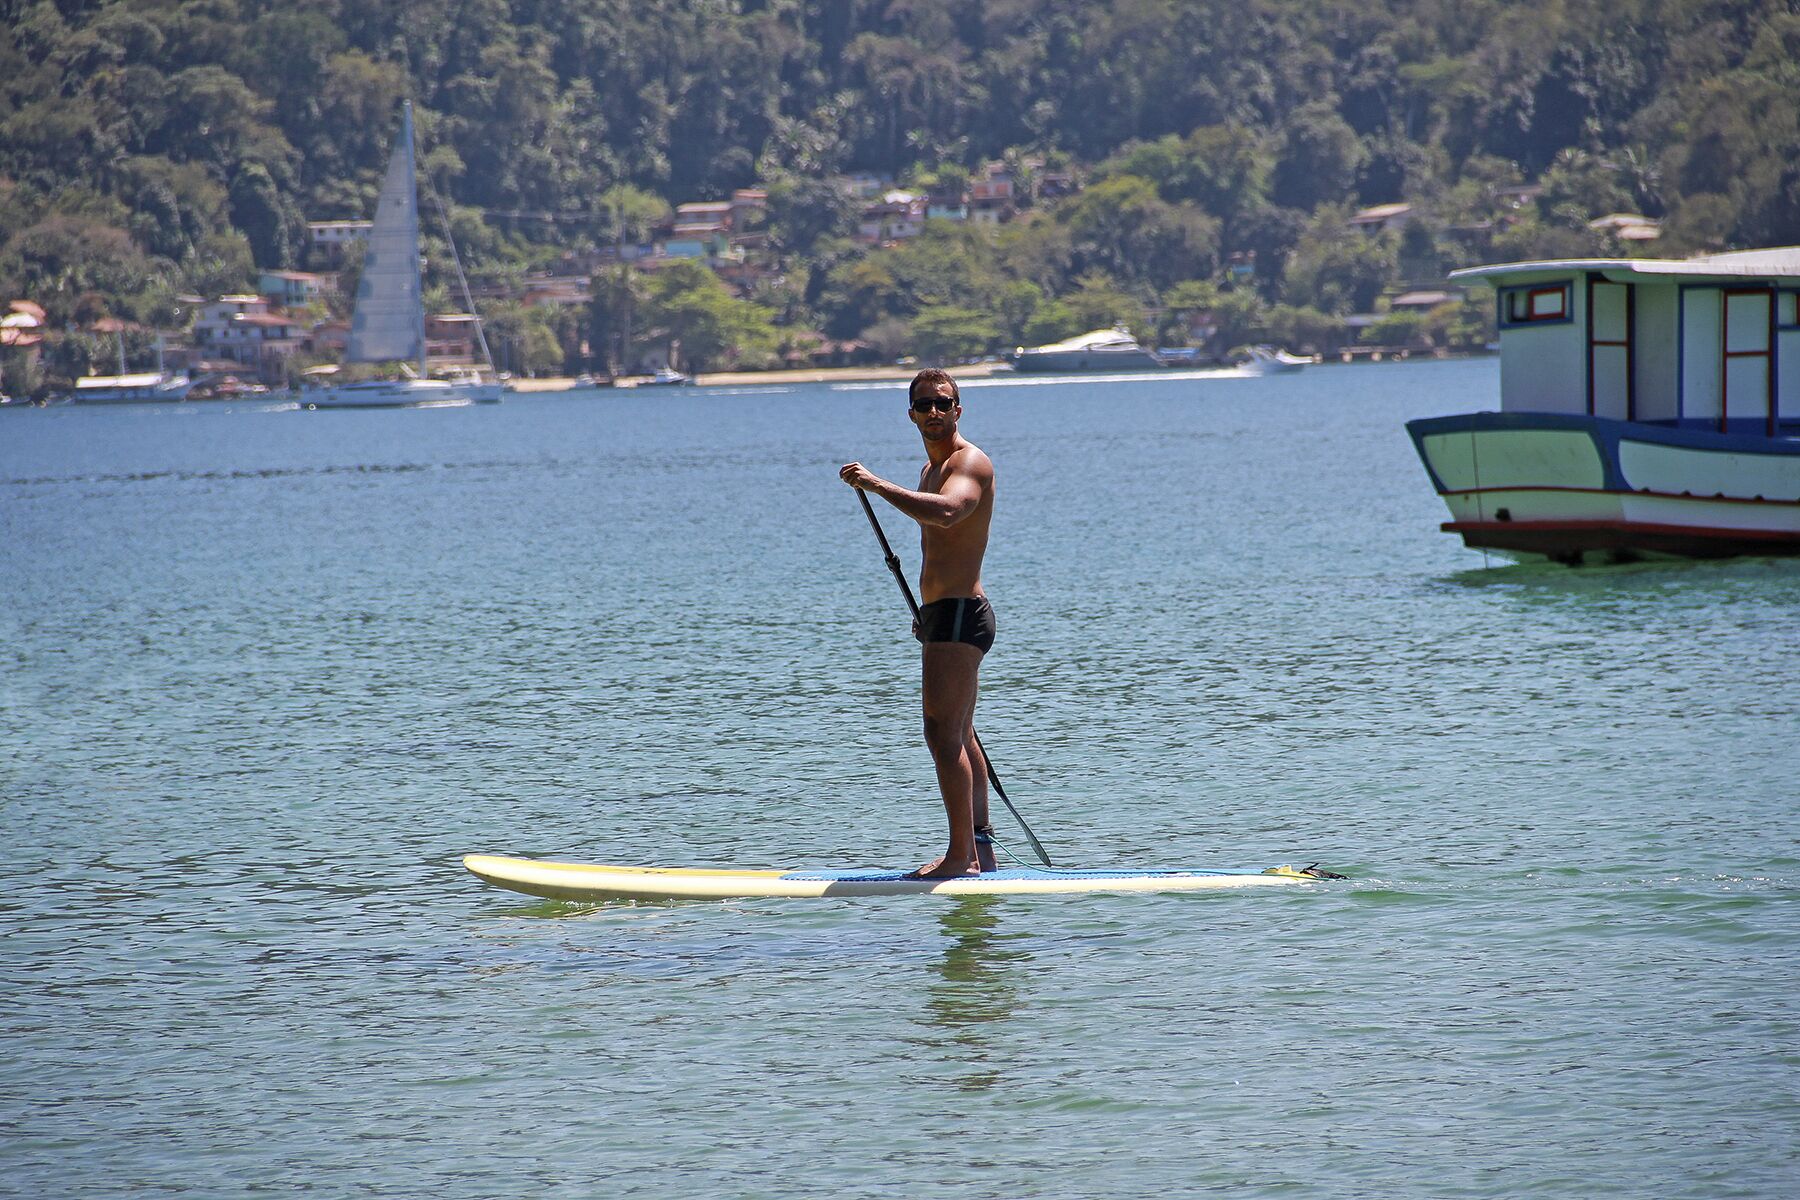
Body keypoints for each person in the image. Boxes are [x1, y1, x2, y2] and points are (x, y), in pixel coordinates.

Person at [840, 368, 998, 878]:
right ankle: (980, 850)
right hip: (943, 616)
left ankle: (960, 858)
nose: (934, 411)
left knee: (942, 735)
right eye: (924, 404)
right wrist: (928, 613)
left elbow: (949, 514)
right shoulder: (930, 469)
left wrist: (876, 484)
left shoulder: (969, 463)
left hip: (961, 616)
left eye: (943, 403)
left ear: (958, 409)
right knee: (961, 733)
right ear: (911, 414)